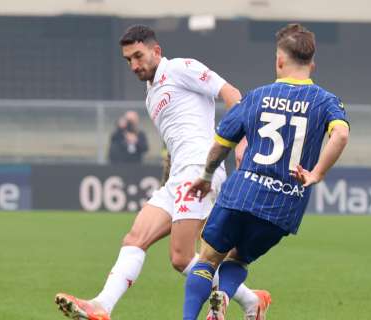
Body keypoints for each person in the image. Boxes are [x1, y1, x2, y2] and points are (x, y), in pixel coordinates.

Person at [55, 25, 267, 320]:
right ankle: (102, 305)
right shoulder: (150, 95)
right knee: (134, 238)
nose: (133, 65)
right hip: (176, 178)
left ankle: (251, 299)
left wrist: (243, 141)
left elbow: (232, 94)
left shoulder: (182, 68)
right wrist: (165, 181)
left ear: (157, 51)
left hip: (199, 171)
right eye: (128, 60)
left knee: (181, 258)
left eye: (138, 56)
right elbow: (171, 144)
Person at [182, 23, 350, 320]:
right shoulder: (326, 101)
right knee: (239, 259)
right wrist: (317, 174)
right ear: (312, 63)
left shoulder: (256, 97)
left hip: (241, 193)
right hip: (284, 205)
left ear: (279, 60)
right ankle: (223, 296)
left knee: (207, 260)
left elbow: (221, 144)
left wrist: (207, 176)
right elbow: (340, 135)